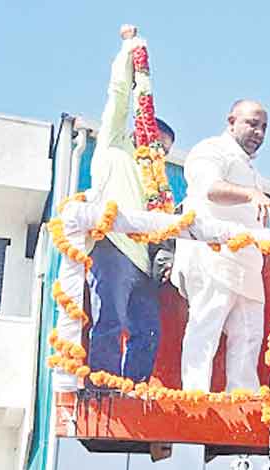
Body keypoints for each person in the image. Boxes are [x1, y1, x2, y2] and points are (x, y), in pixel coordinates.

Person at [85, 24, 174, 386]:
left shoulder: (157, 182)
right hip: (113, 249)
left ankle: (133, 390)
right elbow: (119, 94)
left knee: (148, 333)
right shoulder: (114, 146)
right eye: (156, 141)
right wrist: (130, 50)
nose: (159, 151)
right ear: (141, 132)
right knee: (109, 321)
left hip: (143, 266)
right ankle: (104, 388)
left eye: (165, 150)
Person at [174, 99, 270, 392]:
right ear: (231, 120)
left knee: (249, 335)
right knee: (205, 325)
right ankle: (194, 397)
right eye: (252, 124)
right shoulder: (211, 150)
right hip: (213, 257)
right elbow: (209, 189)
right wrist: (250, 194)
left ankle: (242, 401)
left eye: (264, 127)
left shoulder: (251, 171)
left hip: (248, 264)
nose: (259, 133)